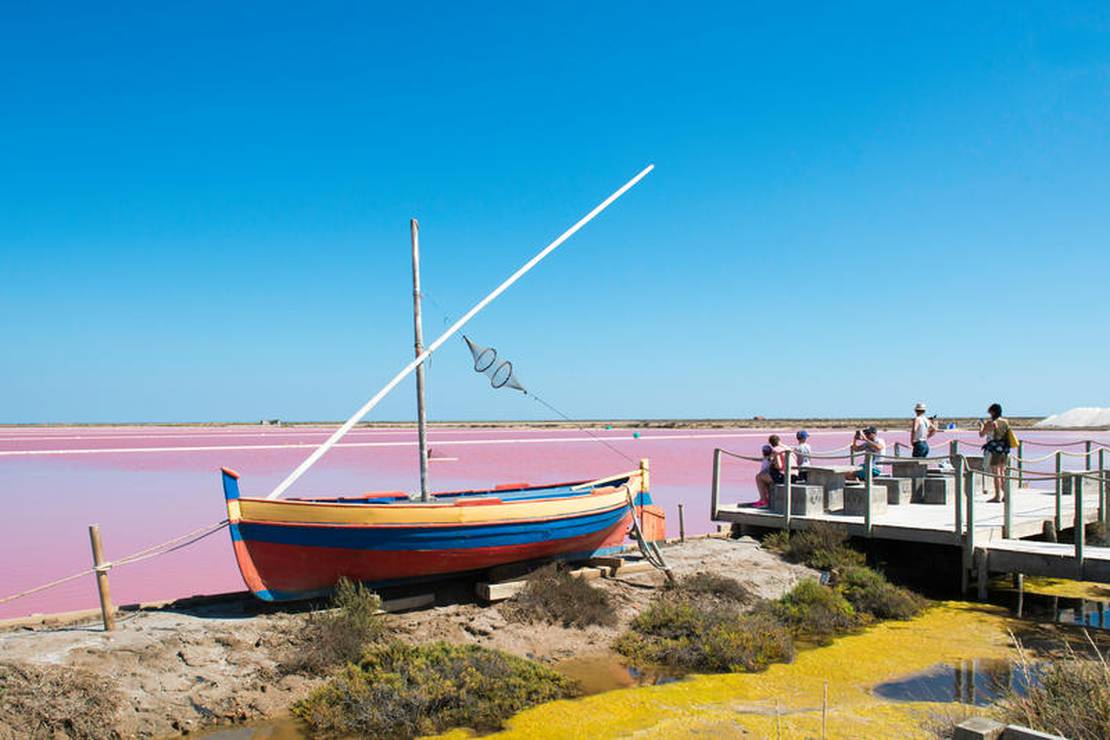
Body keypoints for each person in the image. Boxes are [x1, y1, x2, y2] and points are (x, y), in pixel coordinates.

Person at [979, 403, 1011, 503]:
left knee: (996, 473)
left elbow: (981, 434)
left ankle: (997, 496)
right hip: (1004, 449)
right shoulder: (1005, 422)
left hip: (994, 450)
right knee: (1002, 472)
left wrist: (981, 426)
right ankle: (1006, 495)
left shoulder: (991, 422)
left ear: (992, 412)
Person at [753, 444, 774, 508]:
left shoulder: (770, 459)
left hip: (770, 476)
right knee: (760, 477)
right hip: (767, 475)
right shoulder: (766, 458)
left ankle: (764, 500)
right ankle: (763, 499)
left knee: (759, 477)